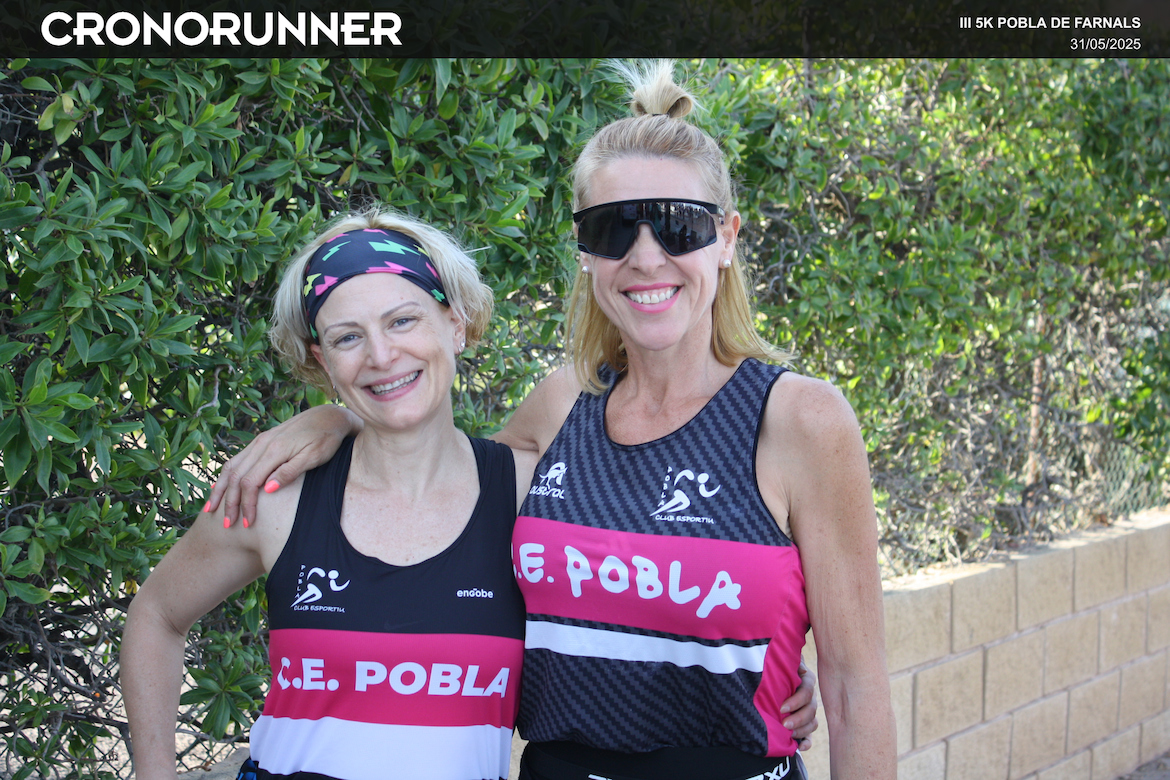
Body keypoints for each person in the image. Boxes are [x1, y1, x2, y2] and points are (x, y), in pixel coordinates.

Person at [211, 61, 880, 779]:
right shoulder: (563, 406)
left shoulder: (800, 420)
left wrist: (754, 662)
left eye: (679, 226)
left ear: (726, 238)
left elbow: (853, 687)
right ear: (585, 252)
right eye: (613, 228)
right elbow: (432, 480)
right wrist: (338, 422)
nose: (646, 256)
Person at [122, 209, 541, 780]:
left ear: (456, 324)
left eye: (402, 321)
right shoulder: (278, 494)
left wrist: (338, 417)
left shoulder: (529, 493)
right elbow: (156, 615)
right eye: (348, 337)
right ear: (323, 359)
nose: (381, 356)